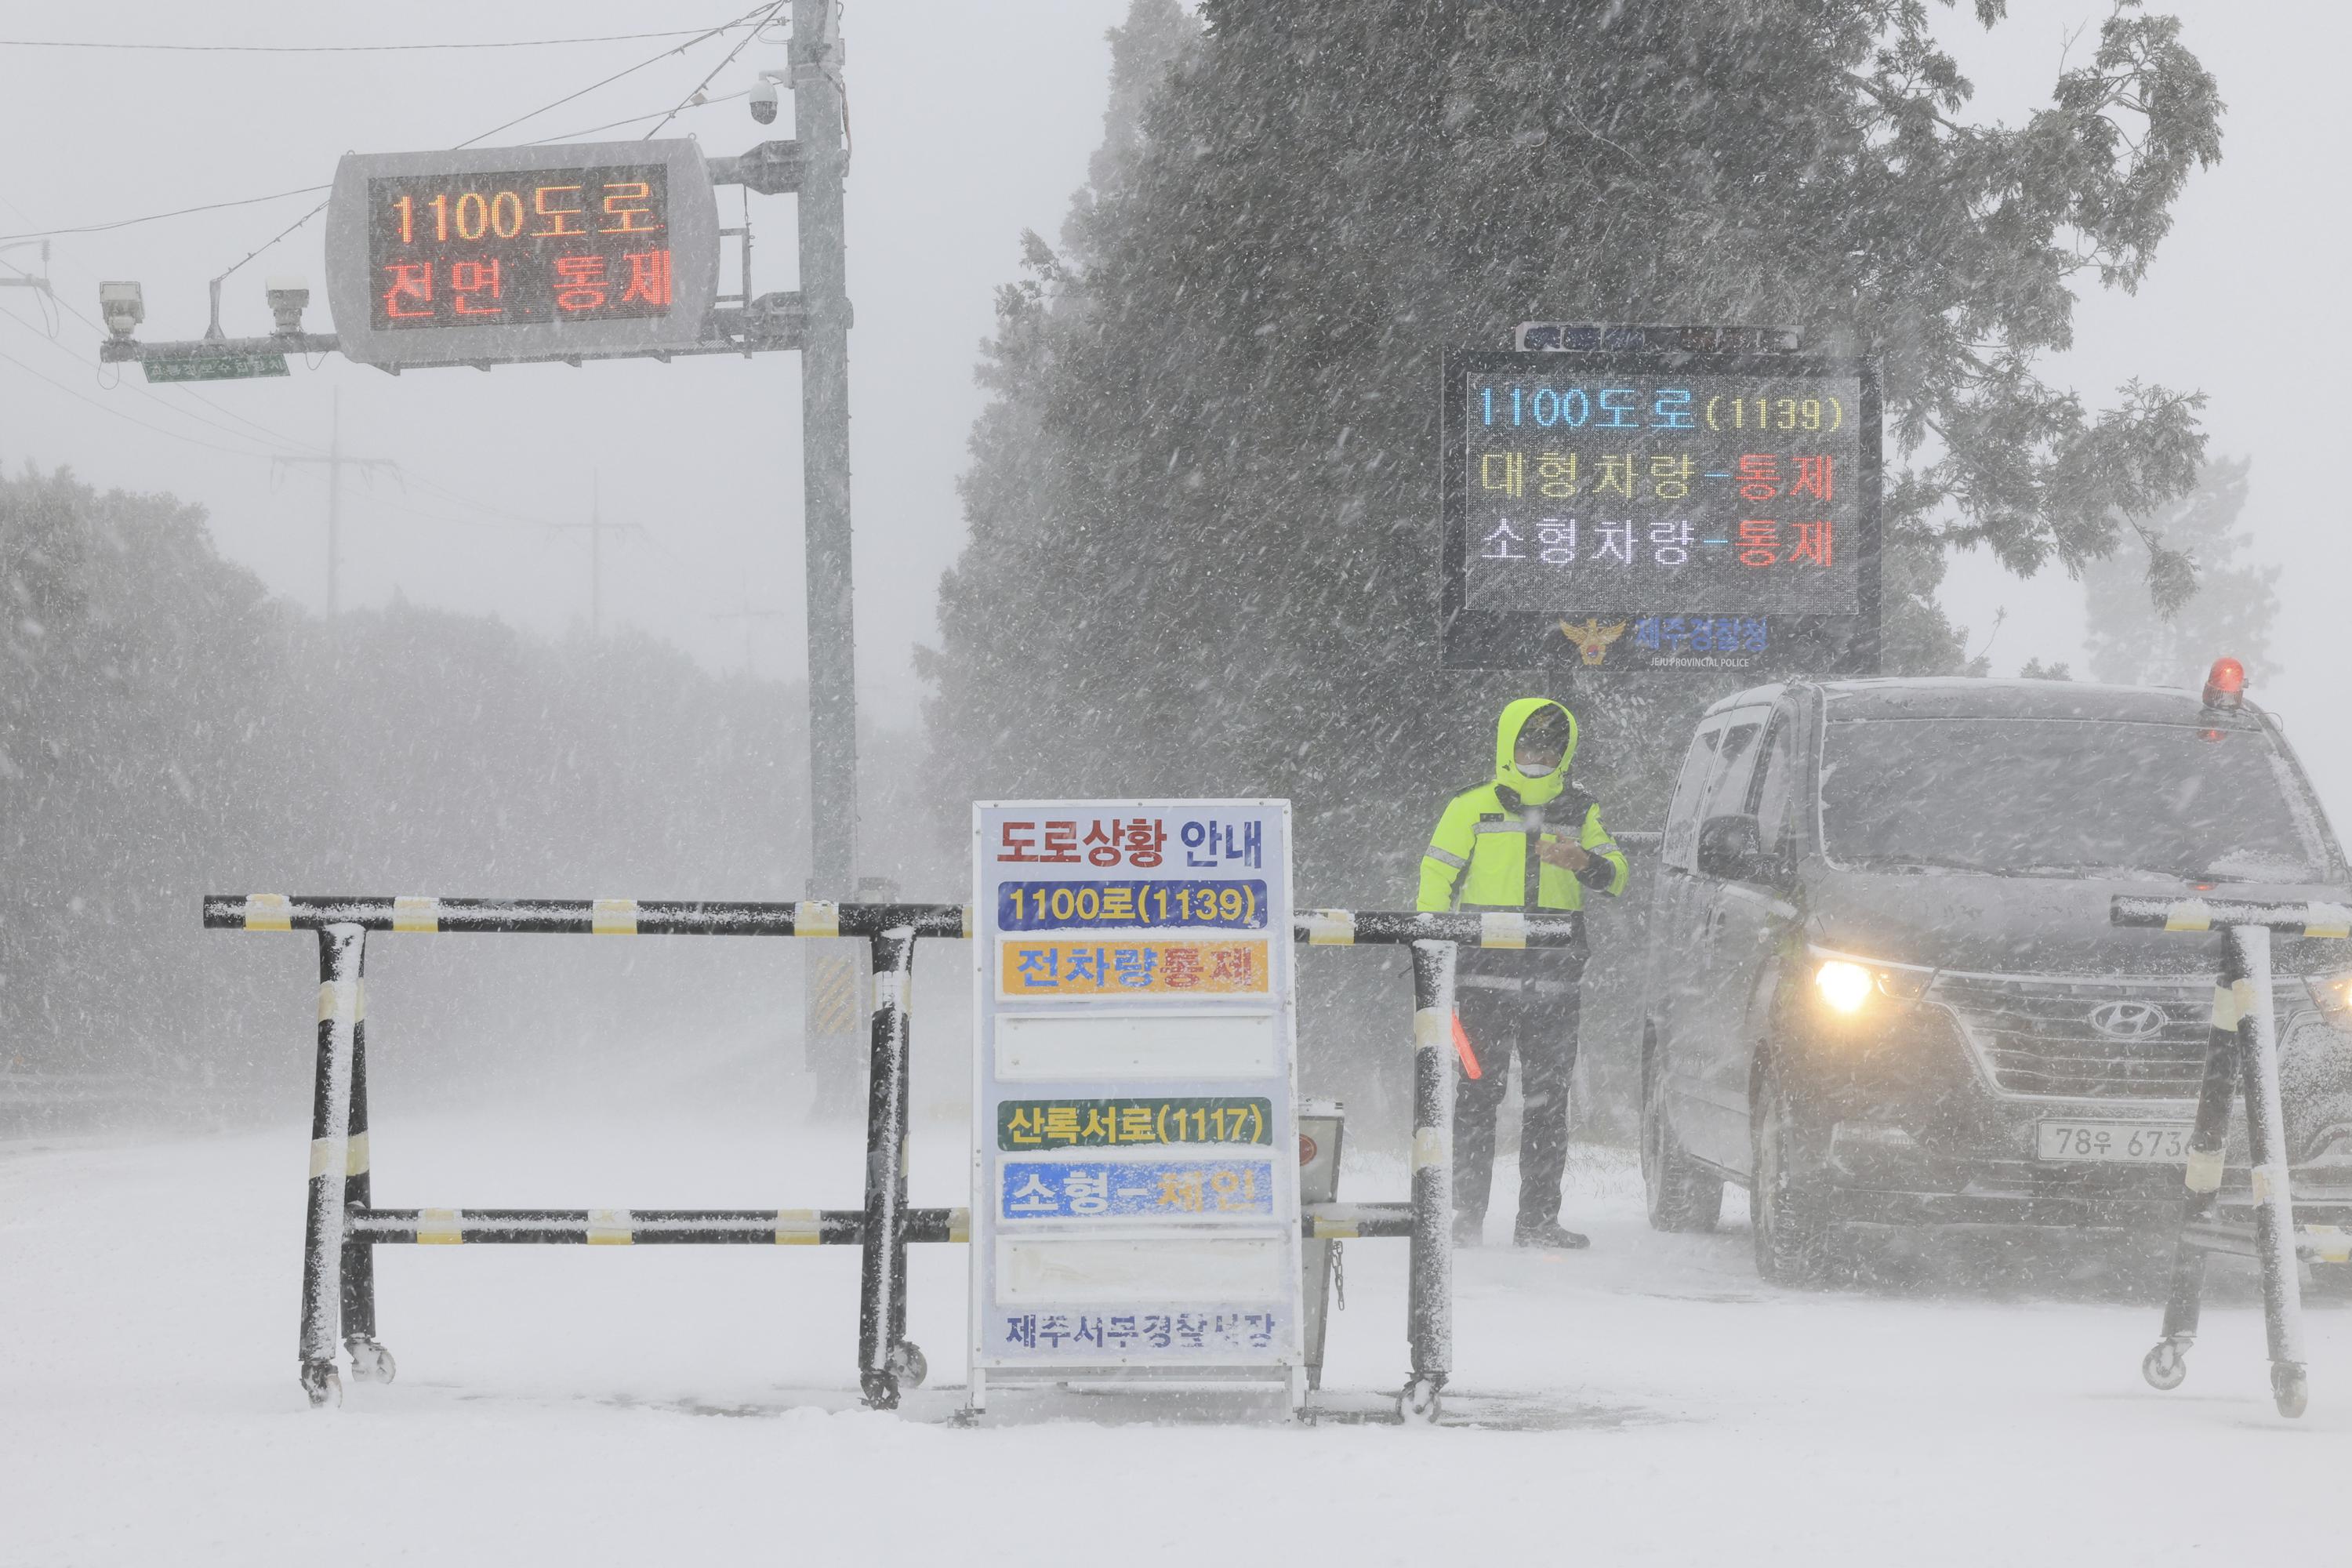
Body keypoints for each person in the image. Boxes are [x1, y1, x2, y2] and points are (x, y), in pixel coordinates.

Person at [1417, 698, 1628, 1249]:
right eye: (1528, 745)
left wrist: (1585, 863)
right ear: (1507, 747)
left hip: (1556, 984)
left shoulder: (1581, 811)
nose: (1538, 755)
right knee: (1474, 1098)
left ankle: (1537, 1221)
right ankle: (1464, 1217)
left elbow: (1618, 875)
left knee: (1548, 1104)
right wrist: (1434, 944)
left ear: (1566, 751)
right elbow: (1435, 877)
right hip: (1480, 983)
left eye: (1549, 746)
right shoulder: (1470, 807)